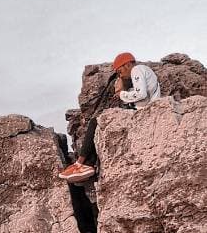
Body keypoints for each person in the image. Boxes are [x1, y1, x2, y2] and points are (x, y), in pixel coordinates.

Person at [58, 52, 161, 182]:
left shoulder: (137, 69)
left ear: (127, 65)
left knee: (97, 121)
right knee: (101, 123)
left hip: (143, 113)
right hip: (143, 110)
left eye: (120, 71)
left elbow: (141, 94)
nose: (120, 75)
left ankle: (81, 164)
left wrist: (121, 93)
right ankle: (87, 164)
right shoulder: (143, 71)